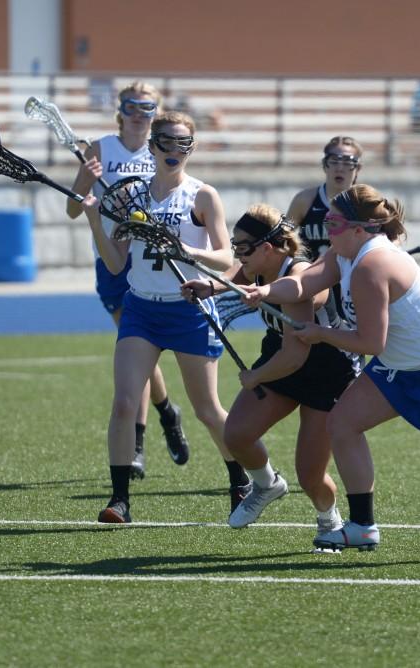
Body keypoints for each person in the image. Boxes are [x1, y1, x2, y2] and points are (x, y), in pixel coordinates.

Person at [241, 184, 420, 559]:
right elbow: (303, 283)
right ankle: (362, 527)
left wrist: (319, 334)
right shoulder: (343, 253)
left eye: (333, 221)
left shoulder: (371, 266)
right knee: (342, 424)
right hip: (399, 366)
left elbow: (370, 343)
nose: (324, 228)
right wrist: (263, 292)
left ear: (359, 229)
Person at [80, 110, 254, 524]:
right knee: (124, 403)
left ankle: (240, 478)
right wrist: (93, 219)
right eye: (168, 142)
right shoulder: (132, 196)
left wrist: (185, 250)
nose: (175, 151)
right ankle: (120, 499)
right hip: (141, 308)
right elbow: (117, 262)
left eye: (184, 144)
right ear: (153, 145)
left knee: (208, 409)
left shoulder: (202, 196)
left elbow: (226, 256)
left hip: (188, 309)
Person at [180, 204, 361, 543]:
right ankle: (267, 484)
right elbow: (242, 275)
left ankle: (329, 521)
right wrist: (211, 286)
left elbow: (295, 356)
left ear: (267, 247)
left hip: (326, 369)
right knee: (236, 434)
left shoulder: (298, 279)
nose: (238, 255)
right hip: (282, 354)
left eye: (243, 248)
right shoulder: (261, 266)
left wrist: (256, 377)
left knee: (309, 473)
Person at [65, 82, 188, 481]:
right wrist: (85, 179)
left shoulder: (160, 150)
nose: (139, 113)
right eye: (132, 106)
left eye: (148, 107)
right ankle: (158, 421)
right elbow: (72, 208)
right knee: (134, 344)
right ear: (120, 110)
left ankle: (148, 432)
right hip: (113, 257)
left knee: (141, 348)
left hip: (151, 257)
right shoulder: (100, 149)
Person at [285, 135, 362, 317]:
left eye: (348, 162)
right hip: (311, 285)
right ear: (324, 165)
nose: (340, 167)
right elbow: (283, 236)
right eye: (334, 161)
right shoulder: (304, 200)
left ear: (358, 168)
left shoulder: (365, 204)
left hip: (351, 285)